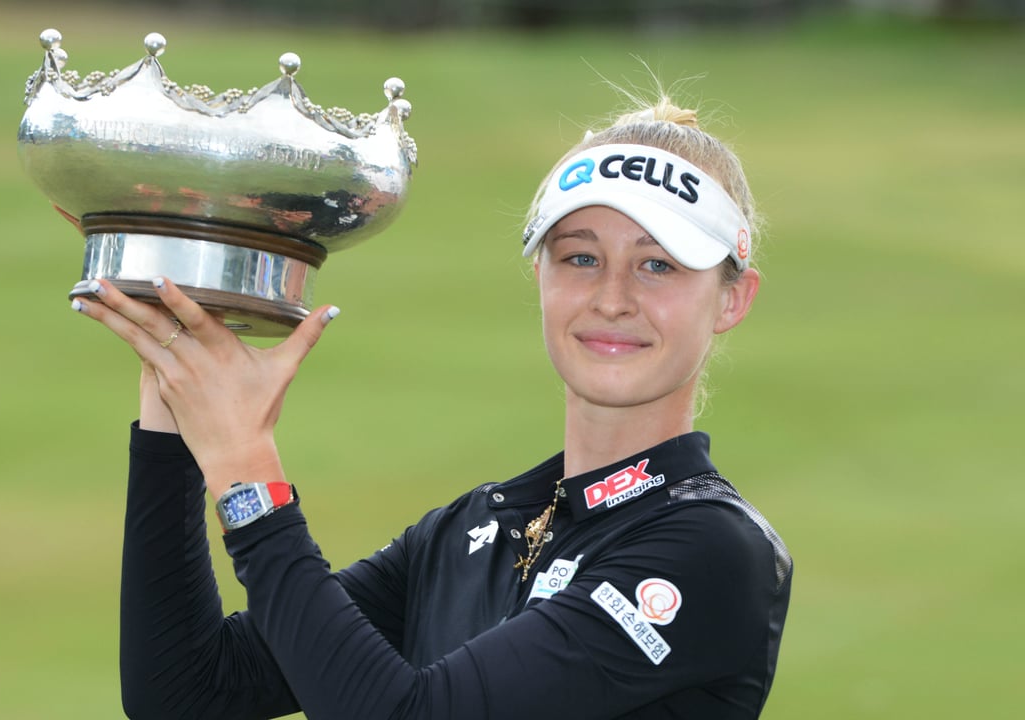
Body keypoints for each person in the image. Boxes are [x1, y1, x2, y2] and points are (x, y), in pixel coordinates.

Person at [70, 93, 793, 719]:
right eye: (580, 257)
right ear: (539, 273)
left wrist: (244, 470)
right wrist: (171, 384)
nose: (611, 297)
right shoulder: (475, 527)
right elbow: (186, 689)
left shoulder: (712, 551)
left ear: (733, 298)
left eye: (657, 264)